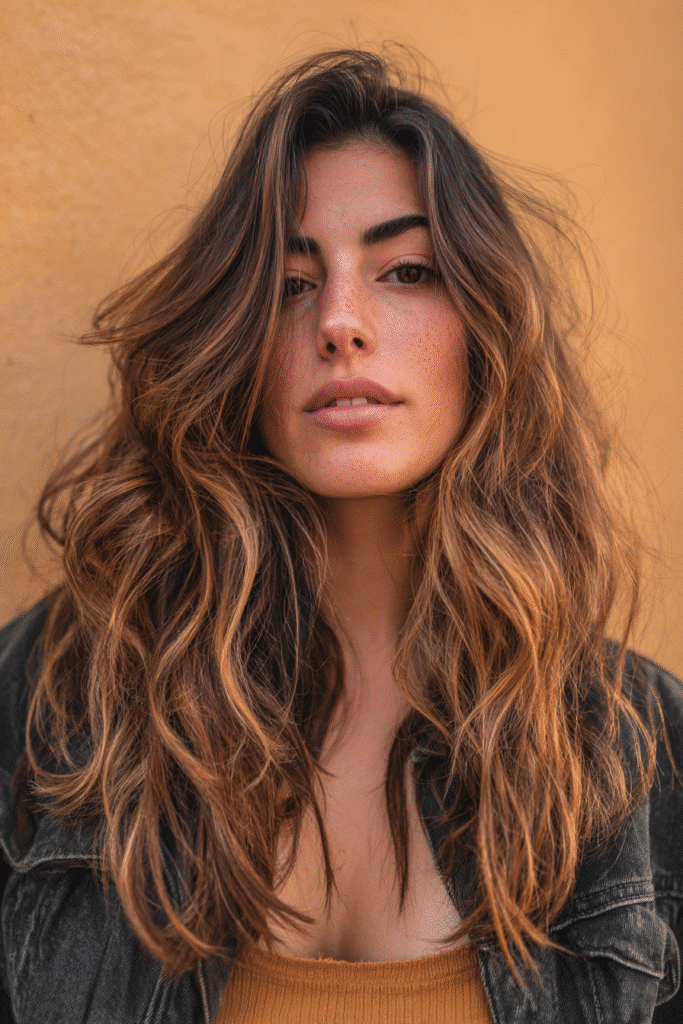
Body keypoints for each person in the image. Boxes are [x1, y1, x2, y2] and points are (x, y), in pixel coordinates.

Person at [0, 45, 681, 1024]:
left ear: (485, 328)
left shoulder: (643, 758)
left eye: (405, 270)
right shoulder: (51, 710)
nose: (340, 321)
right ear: (231, 342)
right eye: (286, 283)